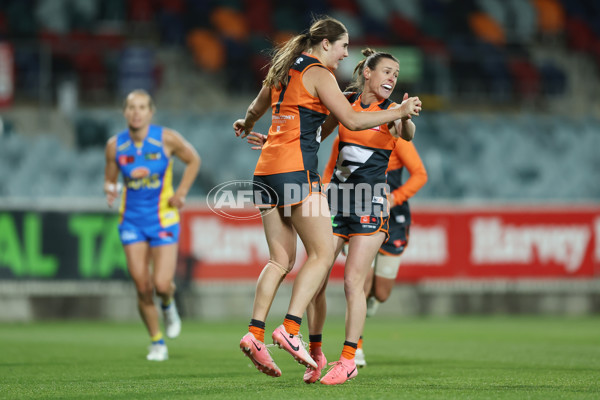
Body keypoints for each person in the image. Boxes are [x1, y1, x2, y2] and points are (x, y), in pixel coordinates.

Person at [234, 17, 421, 379]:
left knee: (282, 261)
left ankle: (256, 334)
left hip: (268, 172)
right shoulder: (322, 77)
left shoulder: (282, 68)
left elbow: (261, 109)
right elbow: (347, 121)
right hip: (298, 175)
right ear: (325, 44)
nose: (345, 54)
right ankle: (292, 331)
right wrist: (398, 110)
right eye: (342, 46)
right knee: (320, 257)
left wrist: (250, 126)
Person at [104, 89, 201, 361]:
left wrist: (181, 193)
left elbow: (194, 160)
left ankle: (168, 305)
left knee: (161, 284)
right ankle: (157, 341)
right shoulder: (115, 146)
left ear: (150, 112)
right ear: (125, 112)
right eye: (131, 107)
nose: (136, 112)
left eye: (142, 107)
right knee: (141, 285)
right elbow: (110, 178)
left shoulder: (166, 139)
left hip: (164, 217)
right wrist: (110, 189)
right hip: (132, 220)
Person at [321, 133, 428, 369]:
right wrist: (327, 205)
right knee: (359, 281)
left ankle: (367, 303)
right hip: (355, 213)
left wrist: (394, 198)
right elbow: (330, 171)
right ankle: (354, 347)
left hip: (394, 219)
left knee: (381, 293)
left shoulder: (396, 138)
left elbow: (420, 174)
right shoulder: (345, 136)